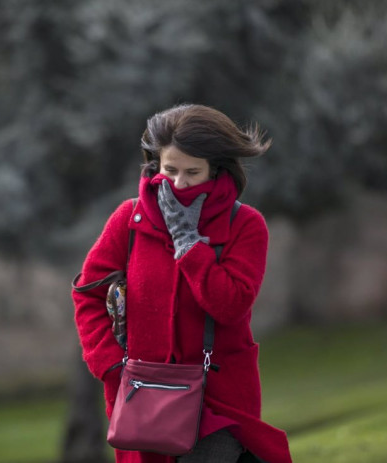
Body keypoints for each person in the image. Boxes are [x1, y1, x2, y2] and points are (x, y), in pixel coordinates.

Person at [72, 104, 292, 463]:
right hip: (142, 398)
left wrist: (189, 243)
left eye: (193, 172)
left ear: (217, 170)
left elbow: (232, 304)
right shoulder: (128, 218)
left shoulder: (246, 225)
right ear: (155, 163)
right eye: (169, 169)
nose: (178, 184)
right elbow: (87, 296)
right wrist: (112, 366)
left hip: (217, 400)